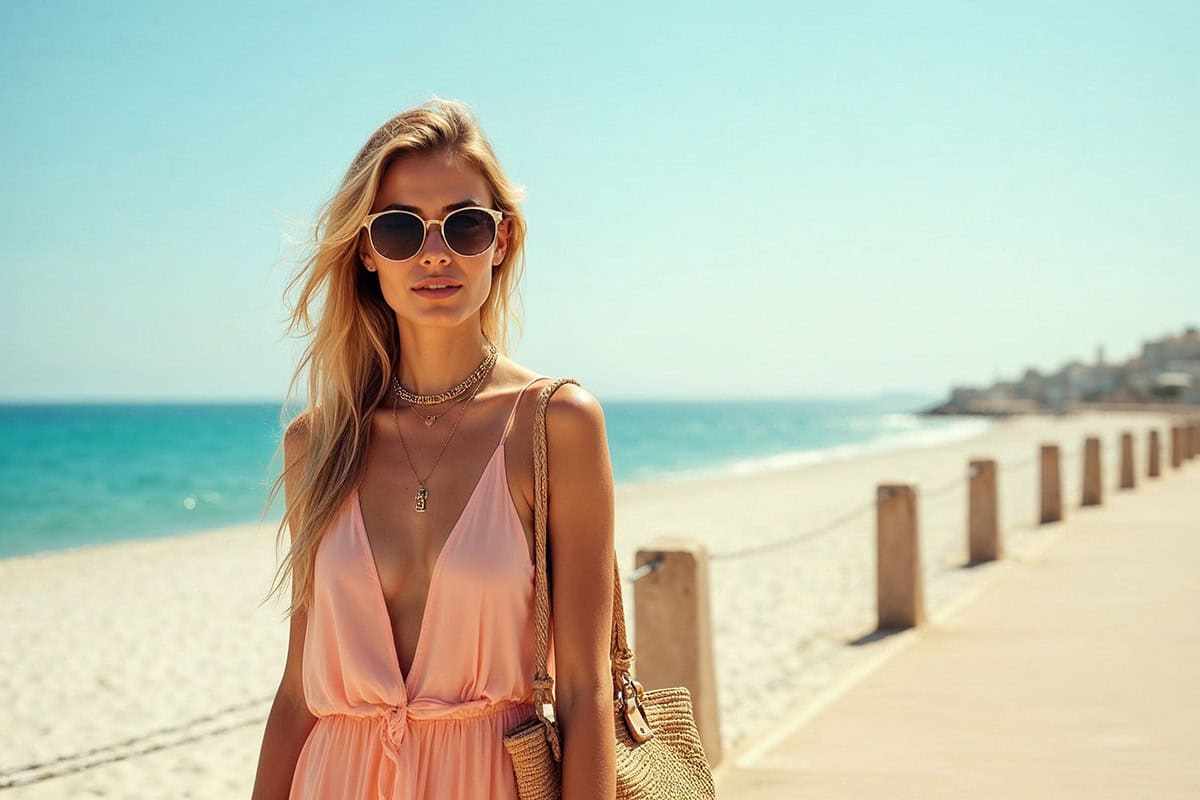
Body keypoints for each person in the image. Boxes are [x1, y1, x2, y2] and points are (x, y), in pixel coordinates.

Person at [251, 97, 617, 799]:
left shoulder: (555, 425)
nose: (434, 253)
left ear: (501, 240)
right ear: (366, 250)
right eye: (399, 228)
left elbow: (585, 688)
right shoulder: (318, 444)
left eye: (464, 224)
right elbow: (298, 691)